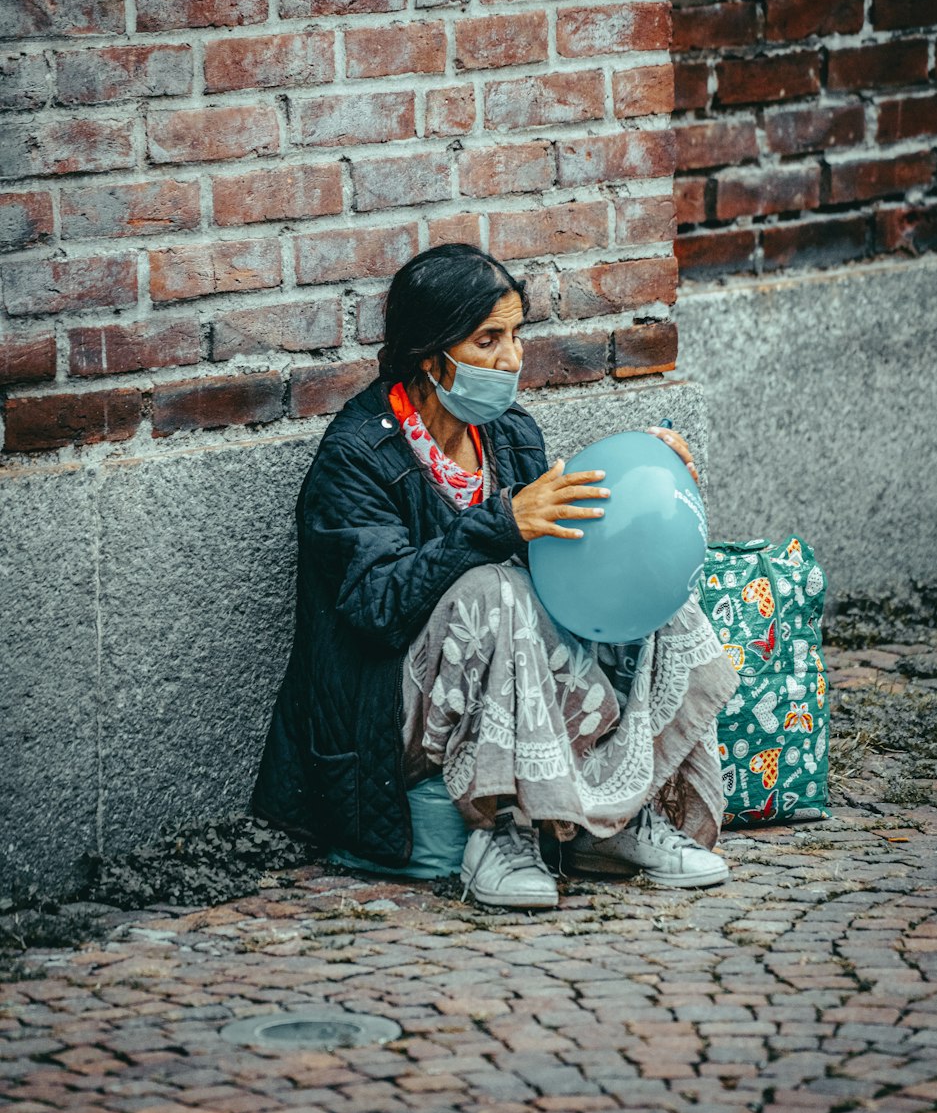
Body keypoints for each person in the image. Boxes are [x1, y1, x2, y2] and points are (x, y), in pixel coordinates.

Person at [252, 243, 739, 909]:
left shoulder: (509, 434)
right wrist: (500, 525)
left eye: (515, 335)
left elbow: (561, 567)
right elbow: (375, 608)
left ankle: (614, 821)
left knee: (649, 594)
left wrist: (638, 481)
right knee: (496, 591)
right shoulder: (357, 454)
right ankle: (500, 830)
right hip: (386, 714)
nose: (512, 359)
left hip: (492, 682)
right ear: (430, 353)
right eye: (488, 340)